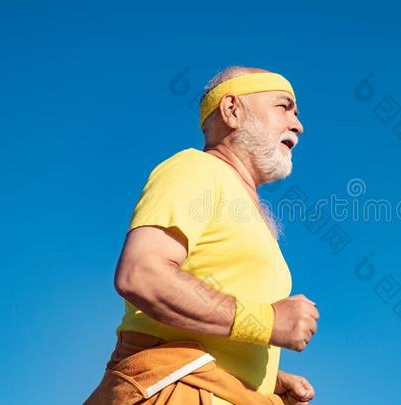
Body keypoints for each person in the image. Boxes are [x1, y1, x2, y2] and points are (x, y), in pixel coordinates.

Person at [85, 66, 319, 405]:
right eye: (284, 107)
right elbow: (142, 274)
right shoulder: (195, 168)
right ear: (232, 111)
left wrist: (264, 383)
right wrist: (267, 321)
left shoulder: (244, 204)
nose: (298, 124)